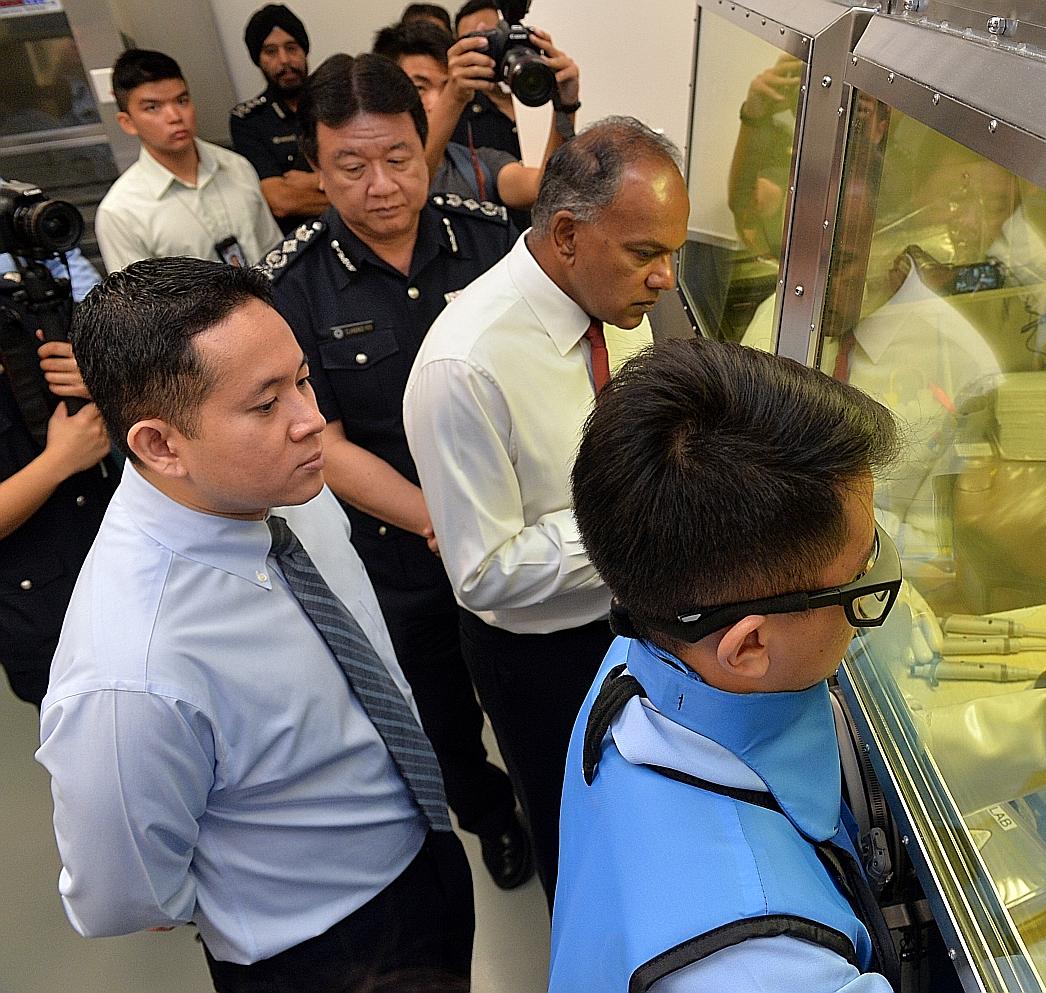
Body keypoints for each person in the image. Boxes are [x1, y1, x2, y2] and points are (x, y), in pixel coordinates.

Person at [548, 339, 1046, 991]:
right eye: (860, 579)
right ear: (749, 645)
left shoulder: (651, 657)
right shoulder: (761, 965)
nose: (878, 586)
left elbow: (856, 771)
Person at [37, 257, 474, 993]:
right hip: (317, 949)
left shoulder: (281, 484)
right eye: (265, 404)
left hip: (423, 849)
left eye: (303, 379)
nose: (309, 420)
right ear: (159, 445)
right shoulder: (132, 670)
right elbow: (122, 892)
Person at [262, 51, 532, 890]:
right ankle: (489, 814)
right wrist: (440, 519)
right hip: (398, 550)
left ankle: (554, 796)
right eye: (351, 165)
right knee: (441, 708)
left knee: (533, 684)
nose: (380, 184)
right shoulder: (292, 286)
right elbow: (324, 440)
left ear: (429, 146)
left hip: (519, 526)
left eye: (399, 159)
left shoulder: (493, 240)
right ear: (316, 165)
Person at [403, 115, 687, 902]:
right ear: (567, 233)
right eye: (646, 253)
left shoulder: (618, 309)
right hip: (544, 661)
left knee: (650, 827)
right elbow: (484, 571)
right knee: (581, 846)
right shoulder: (465, 366)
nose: (665, 277)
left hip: (640, 621)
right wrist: (635, 522)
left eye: (673, 252)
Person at [372, 17, 579, 227]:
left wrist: (565, 105)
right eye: (419, 87)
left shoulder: (475, 164)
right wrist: (454, 95)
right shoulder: (373, 175)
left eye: (445, 86)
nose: (434, 102)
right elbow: (415, 183)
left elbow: (545, 188)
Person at [0, 326, 113, 708]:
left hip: (124, 567)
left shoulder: (21, 314)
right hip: (50, 626)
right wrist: (58, 462)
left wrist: (101, 379)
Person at [94, 50, 281, 273]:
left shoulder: (236, 167)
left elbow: (276, 258)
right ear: (127, 123)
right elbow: (139, 306)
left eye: (181, 100)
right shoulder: (121, 212)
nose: (174, 116)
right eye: (153, 107)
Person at [231, 4, 328, 232]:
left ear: (304, 51)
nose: (284, 60)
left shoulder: (336, 101)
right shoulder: (248, 120)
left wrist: (315, 181)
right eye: (271, 51)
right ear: (259, 59)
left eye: (291, 48)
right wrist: (352, 199)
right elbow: (281, 202)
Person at [449, 0, 524, 157]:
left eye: (493, 38)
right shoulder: (457, 119)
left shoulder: (538, 88)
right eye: (474, 42)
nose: (485, 50)